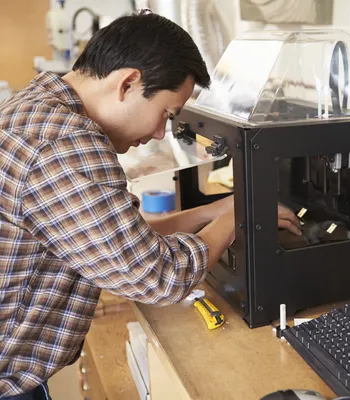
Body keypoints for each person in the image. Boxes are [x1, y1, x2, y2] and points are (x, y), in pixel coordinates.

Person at [0, 10, 301, 399]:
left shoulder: (39, 107)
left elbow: (117, 239)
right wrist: (242, 216)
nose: (160, 132)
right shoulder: (67, 144)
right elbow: (159, 276)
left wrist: (211, 212)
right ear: (128, 82)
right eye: (166, 114)